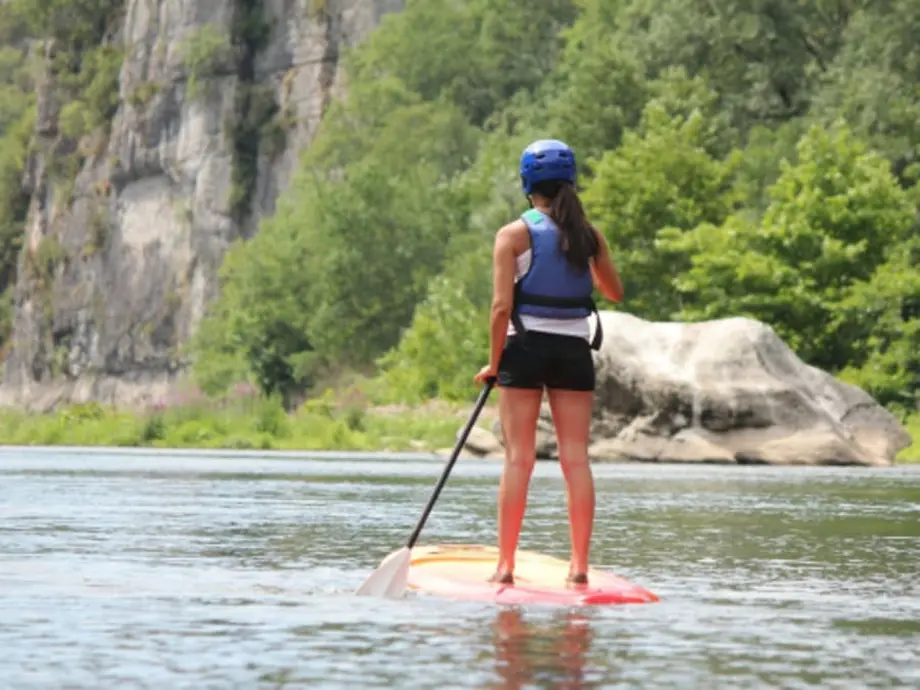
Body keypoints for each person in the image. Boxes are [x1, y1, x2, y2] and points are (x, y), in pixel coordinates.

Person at [474, 139, 623, 587]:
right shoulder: (589, 235)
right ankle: (579, 567)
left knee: (518, 459)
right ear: (571, 181)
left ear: (527, 185)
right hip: (573, 352)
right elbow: (614, 292)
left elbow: (501, 308)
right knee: (575, 459)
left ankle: (505, 566)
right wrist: (583, 257)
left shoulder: (512, 235)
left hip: (525, 349)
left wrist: (493, 364)